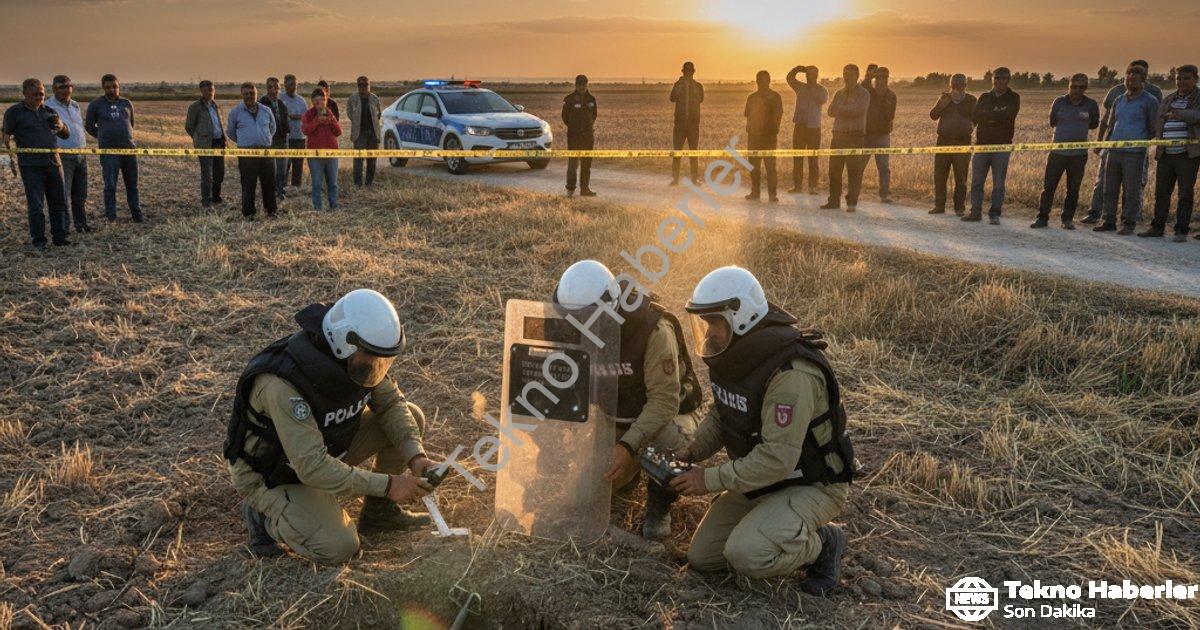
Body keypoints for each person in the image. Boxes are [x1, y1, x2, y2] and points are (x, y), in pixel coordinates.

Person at [673, 266, 854, 594]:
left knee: (747, 555)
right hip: (763, 482)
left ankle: (824, 543)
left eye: (714, 323)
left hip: (811, 483)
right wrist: (694, 449)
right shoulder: (736, 356)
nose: (708, 332)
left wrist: (708, 479)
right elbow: (724, 412)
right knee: (704, 557)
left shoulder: (791, 374)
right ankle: (771, 521)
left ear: (740, 318)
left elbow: (777, 459)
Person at [224, 289, 439, 564]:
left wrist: (416, 456)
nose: (378, 366)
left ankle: (379, 515)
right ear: (343, 343)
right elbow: (312, 467)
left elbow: (391, 404)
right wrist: (388, 485)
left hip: (322, 449)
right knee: (339, 546)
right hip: (272, 473)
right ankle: (264, 515)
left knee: (411, 417)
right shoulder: (283, 384)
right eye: (373, 357)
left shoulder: (356, 361)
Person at [553, 260, 704, 540]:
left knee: (673, 442)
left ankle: (660, 503)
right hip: (615, 418)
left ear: (609, 308)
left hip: (665, 419)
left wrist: (626, 446)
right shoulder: (571, 328)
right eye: (571, 318)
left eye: (585, 318)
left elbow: (664, 402)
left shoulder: (652, 329)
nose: (577, 326)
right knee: (579, 499)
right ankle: (630, 473)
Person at [1082, 60, 1163, 225]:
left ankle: (1128, 222)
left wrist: (1140, 140)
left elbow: (1154, 126)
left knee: (1131, 189)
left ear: (1143, 80)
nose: (1130, 83)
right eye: (1128, 79)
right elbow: (1110, 122)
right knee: (1108, 187)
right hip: (1113, 150)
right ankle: (1108, 221)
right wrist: (1104, 144)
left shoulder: (1151, 99)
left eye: (1134, 80)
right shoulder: (1118, 99)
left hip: (1135, 153)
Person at [2, 78, 72, 251]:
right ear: (24, 94)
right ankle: (39, 241)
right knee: (36, 205)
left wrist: (61, 126)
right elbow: (6, 137)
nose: (39, 97)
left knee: (59, 202)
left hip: (54, 163)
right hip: (30, 166)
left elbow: (65, 135)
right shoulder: (14, 112)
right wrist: (10, 158)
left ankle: (60, 237)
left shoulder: (49, 111)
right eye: (35, 94)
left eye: (42, 94)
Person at [1140, 64, 1200, 241]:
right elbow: (1159, 120)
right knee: (1161, 192)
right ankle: (1157, 227)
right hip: (1165, 152)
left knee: (1185, 194)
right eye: (1179, 78)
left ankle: (1181, 230)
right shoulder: (1169, 99)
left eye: (1186, 78)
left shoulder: (1198, 97)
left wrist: (1179, 114)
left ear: (1195, 79)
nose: (1181, 82)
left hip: (1187, 154)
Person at [1032, 74, 1099, 229]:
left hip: (1078, 155)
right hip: (1057, 153)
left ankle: (1067, 219)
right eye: (1074, 86)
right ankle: (1042, 218)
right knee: (1049, 187)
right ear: (1069, 86)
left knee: (1073, 189)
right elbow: (1052, 122)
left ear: (1085, 88)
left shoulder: (1091, 104)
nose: (1077, 90)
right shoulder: (1059, 102)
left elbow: (1094, 124)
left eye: (1081, 87)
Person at [85, 74, 143, 223]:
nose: (112, 90)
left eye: (115, 87)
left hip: (129, 149)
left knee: (132, 185)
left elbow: (130, 123)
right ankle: (111, 216)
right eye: (108, 87)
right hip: (109, 151)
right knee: (110, 185)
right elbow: (89, 126)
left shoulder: (126, 103)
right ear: (103, 88)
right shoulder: (96, 105)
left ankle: (137, 214)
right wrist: (103, 137)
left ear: (119, 87)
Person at [964, 67, 1020, 224]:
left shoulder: (1013, 97)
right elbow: (975, 116)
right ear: (993, 79)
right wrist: (996, 114)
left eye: (1003, 78)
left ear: (1008, 80)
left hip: (1001, 147)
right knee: (976, 182)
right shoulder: (984, 97)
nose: (1000, 81)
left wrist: (987, 114)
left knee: (999, 184)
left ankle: (994, 214)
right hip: (981, 145)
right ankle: (975, 212)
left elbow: (1008, 116)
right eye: (997, 78)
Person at [821, 64, 870, 212]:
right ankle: (833, 201)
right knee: (834, 171)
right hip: (838, 135)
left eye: (850, 74)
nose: (847, 76)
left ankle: (852, 202)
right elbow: (830, 111)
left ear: (857, 76)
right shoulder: (839, 93)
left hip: (855, 136)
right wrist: (846, 109)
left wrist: (841, 109)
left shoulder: (864, 94)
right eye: (845, 74)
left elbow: (859, 110)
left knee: (853, 171)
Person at [44, 75, 90, 233]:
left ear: (72, 87)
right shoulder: (47, 106)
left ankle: (81, 225)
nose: (65, 90)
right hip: (62, 155)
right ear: (54, 89)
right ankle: (64, 228)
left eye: (68, 86)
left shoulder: (75, 105)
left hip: (81, 154)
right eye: (61, 87)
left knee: (80, 195)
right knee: (63, 194)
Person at [226, 82, 278, 220]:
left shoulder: (266, 110)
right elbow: (231, 132)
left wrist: (263, 140)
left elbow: (272, 128)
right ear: (242, 95)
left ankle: (271, 211)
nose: (249, 96)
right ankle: (249, 213)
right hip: (246, 154)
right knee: (248, 184)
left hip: (266, 152)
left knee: (269, 183)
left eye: (252, 93)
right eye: (246, 94)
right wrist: (245, 141)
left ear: (256, 94)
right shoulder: (235, 112)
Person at [929, 74, 976, 215]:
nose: (958, 88)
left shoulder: (971, 100)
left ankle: (959, 207)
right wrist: (941, 105)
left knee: (961, 177)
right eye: (955, 85)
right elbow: (933, 115)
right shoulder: (945, 98)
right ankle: (939, 206)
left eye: (961, 85)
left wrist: (971, 125)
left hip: (962, 141)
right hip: (943, 141)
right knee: (940, 175)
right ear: (951, 85)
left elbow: (977, 117)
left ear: (965, 86)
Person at [185, 79, 227, 210]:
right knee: (207, 175)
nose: (211, 92)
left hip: (219, 142)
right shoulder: (195, 107)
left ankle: (216, 197)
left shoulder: (216, 106)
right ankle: (206, 201)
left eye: (212, 90)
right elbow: (189, 127)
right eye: (208, 90)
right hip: (205, 145)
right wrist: (199, 139)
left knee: (219, 173)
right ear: (201, 91)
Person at [785, 65, 827, 195]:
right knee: (798, 157)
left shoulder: (822, 90)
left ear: (817, 75)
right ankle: (797, 186)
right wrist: (797, 69)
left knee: (813, 158)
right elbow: (789, 78)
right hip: (800, 125)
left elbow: (822, 100)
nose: (810, 77)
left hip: (814, 127)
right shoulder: (800, 87)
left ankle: (813, 186)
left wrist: (812, 89)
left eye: (813, 74)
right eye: (808, 74)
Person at [743, 70, 783, 203]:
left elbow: (779, 115)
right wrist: (750, 129)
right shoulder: (752, 97)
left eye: (764, 80)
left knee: (770, 167)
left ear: (769, 81)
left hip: (769, 137)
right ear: (757, 81)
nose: (762, 82)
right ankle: (755, 192)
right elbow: (748, 115)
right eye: (760, 80)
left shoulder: (775, 97)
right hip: (754, 137)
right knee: (754, 167)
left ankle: (772, 194)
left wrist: (774, 129)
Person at [302, 89, 343, 211]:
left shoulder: (329, 112)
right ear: (312, 101)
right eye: (317, 100)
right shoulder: (308, 115)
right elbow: (305, 130)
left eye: (322, 100)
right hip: (315, 156)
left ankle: (334, 206)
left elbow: (338, 132)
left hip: (331, 154)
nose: (320, 102)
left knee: (333, 184)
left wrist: (331, 121)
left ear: (326, 100)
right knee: (317, 184)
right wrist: (317, 121)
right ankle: (318, 209)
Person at [863, 67, 897, 203]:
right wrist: (868, 76)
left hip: (882, 135)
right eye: (879, 77)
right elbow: (862, 87)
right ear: (875, 78)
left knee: (883, 167)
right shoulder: (868, 92)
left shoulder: (891, 96)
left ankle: (884, 194)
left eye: (884, 77)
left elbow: (890, 116)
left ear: (887, 78)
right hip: (867, 135)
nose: (882, 79)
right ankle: (853, 192)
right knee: (859, 165)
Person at [562, 74, 597, 197]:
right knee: (573, 164)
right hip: (574, 137)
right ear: (576, 85)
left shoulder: (591, 99)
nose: (582, 87)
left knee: (586, 164)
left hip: (588, 136)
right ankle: (570, 190)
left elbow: (594, 115)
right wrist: (574, 127)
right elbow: (565, 117)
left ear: (587, 85)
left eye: (584, 84)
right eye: (580, 84)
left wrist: (587, 127)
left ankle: (584, 189)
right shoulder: (569, 99)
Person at [669, 61, 704, 186]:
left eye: (690, 72)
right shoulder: (678, 85)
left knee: (693, 153)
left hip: (693, 124)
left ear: (693, 72)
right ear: (683, 72)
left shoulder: (698, 86)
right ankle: (675, 179)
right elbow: (672, 98)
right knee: (677, 152)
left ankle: (694, 179)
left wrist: (690, 88)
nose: (688, 74)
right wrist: (681, 85)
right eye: (686, 72)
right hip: (680, 124)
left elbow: (701, 99)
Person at [260, 77, 290, 203]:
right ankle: (270, 194)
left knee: (282, 170)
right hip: (269, 142)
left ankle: (280, 191)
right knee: (270, 170)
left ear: (279, 88)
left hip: (282, 141)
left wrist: (287, 130)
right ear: (267, 88)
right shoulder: (261, 104)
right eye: (270, 87)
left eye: (276, 87)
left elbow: (286, 121)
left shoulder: (282, 104)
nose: (273, 90)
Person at [347, 75, 381, 187]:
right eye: (360, 85)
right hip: (359, 134)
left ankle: (369, 183)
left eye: (365, 84)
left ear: (369, 85)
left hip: (373, 134)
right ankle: (358, 185)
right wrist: (357, 122)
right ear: (357, 86)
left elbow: (378, 114)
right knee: (358, 161)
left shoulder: (375, 98)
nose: (363, 87)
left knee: (372, 160)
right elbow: (349, 114)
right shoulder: (352, 99)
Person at [280, 74, 308, 192]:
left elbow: (306, 117)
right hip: (286, 138)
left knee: (298, 164)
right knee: (285, 164)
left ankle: (296, 187)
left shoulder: (301, 100)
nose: (293, 87)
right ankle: (282, 187)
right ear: (285, 84)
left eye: (295, 85)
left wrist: (298, 117)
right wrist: (290, 117)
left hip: (300, 137)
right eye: (291, 84)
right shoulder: (280, 99)